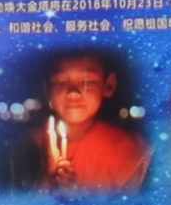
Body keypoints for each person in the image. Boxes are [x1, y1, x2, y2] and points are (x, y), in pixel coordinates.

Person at [29, 51, 148, 193]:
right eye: (60, 82)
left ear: (109, 85)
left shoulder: (129, 149)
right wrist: (47, 181)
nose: (73, 93)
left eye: (87, 82)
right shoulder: (28, 146)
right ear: (46, 88)